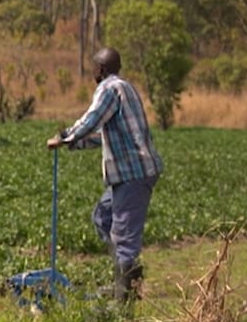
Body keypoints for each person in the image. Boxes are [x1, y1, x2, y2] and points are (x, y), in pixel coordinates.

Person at [47, 47, 163, 303]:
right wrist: (74, 144)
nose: (92, 73)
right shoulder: (125, 88)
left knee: (123, 237)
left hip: (133, 174)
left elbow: (92, 120)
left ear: (100, 69)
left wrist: (64, 135)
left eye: (93, 68)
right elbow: (105, 136)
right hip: (129, 174)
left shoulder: (109, 89)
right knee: (103, 217)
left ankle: (124, 301)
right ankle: (127, 279)